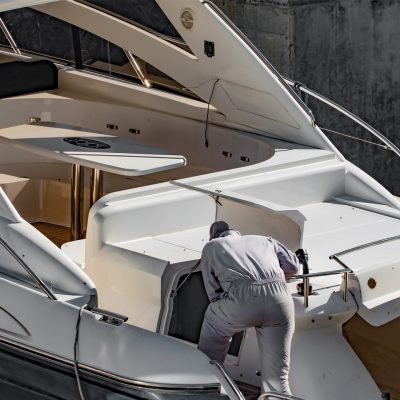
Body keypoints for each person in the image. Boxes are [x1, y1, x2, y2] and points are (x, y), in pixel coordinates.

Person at [198, 221, 300, 395]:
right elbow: (293, 267)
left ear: (213, 235)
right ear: (236, 233)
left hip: (242, 299)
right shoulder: (265, 240)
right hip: (280, 299)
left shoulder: (211, 247)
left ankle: (207, 380)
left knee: (212, 318)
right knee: (278, 378)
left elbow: (213, 293)